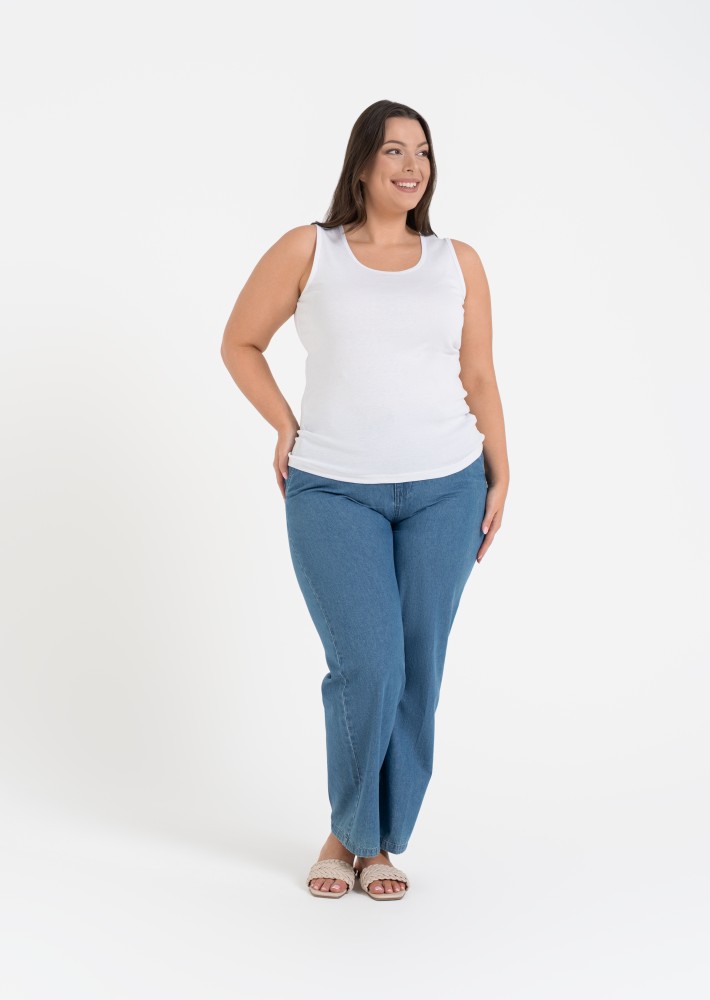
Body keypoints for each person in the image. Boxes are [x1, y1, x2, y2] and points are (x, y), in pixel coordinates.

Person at [220, 100, 509, 900]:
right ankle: (348, 831)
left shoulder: (457, 261)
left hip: (447, 488)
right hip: (334, 490)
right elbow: (239, 342)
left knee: (418, 671)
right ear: (361, 164)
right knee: (370, 666)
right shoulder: (309, 250)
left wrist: (501, 471)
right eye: (394, 151)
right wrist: (285, 424)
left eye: (423, 152)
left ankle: (379, 843)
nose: (412, 166)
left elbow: (478, 375)